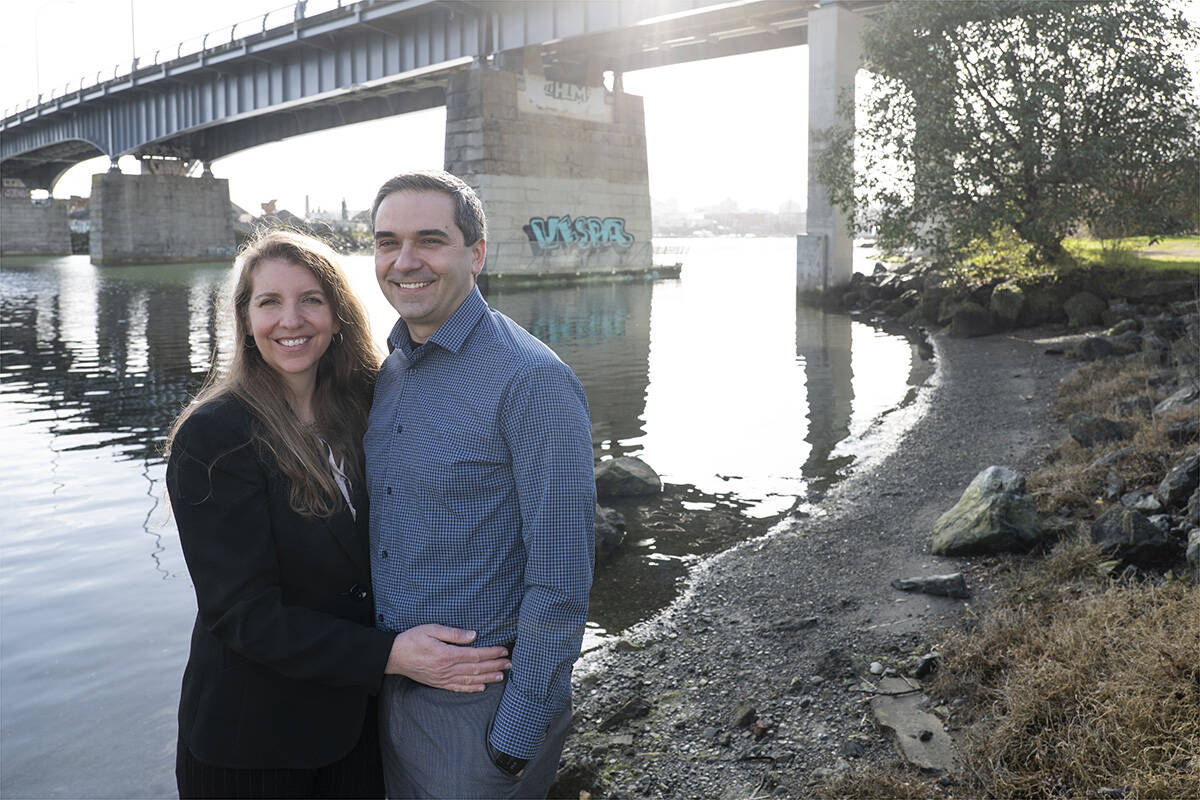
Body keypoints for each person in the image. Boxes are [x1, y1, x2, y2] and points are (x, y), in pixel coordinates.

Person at [165, 228, 510, 799]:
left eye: (311, 300)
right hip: (253, 743)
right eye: (269, 302)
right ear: (246, 319)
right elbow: (242, 614)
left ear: (338, 313)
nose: (291, 320)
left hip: (359, 731)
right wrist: (393, 655)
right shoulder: (215, 436)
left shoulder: (368, 405)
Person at [366, 171, 596, 798]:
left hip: (475, 716)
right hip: (384, 695)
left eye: (429, 241)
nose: (405, 261)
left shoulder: (531, 380)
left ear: (477, 253)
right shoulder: (390, 371)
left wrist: (514, 736)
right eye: (388, 242)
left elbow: (562, 572)